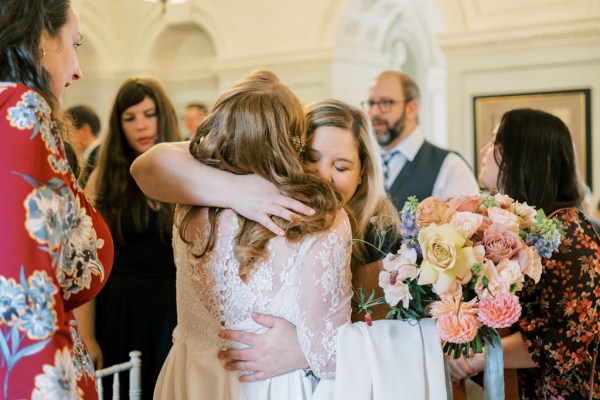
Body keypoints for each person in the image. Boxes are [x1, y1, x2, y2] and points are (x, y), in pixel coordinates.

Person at [130, 98, 401, 381]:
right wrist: (237, 189)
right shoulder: (269, 207)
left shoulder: (381, 236)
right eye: (311, 158)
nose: (323, 176)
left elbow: (391, 332)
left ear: (362, 174)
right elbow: (150, 164)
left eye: (341, 167)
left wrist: (304, 351)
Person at [153, 71, 353, 399]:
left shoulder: (188, 198)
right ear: (293, 139)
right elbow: (330, 353)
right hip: (271, 385)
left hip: (189, 378)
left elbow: (152, 163)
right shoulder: (319, 218)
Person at [0, 1, 113, 398]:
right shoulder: (20, 108)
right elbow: (26, 305)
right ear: (40, 38)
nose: (78, 69)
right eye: (75, 44)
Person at [447, 108, 600, 399]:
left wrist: (477, 358)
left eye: (494, 142)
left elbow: (564, 338)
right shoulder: (532, 225)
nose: (484, 149)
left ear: (521, 156)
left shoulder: (568, 236)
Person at [79, 76, 181, 399]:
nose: (141, 125)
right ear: (118, 123)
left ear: (163, 116)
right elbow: (86, 262)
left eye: (149, 114)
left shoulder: (184, 169)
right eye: (130, 117)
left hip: (173, 311)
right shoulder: (104, 177)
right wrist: (87, 336)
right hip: (120, 313)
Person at [364, 70, 479, 209]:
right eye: (371, 103)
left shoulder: (451, 167)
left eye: (386, 103)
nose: (375, 112)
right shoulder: (362, 161)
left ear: (412, 108)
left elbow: (464, 229)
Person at [65, 104, 101, 187]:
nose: (64, 137)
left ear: (85, 130)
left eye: (67, 130)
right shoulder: (95, 155)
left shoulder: (98, 158)